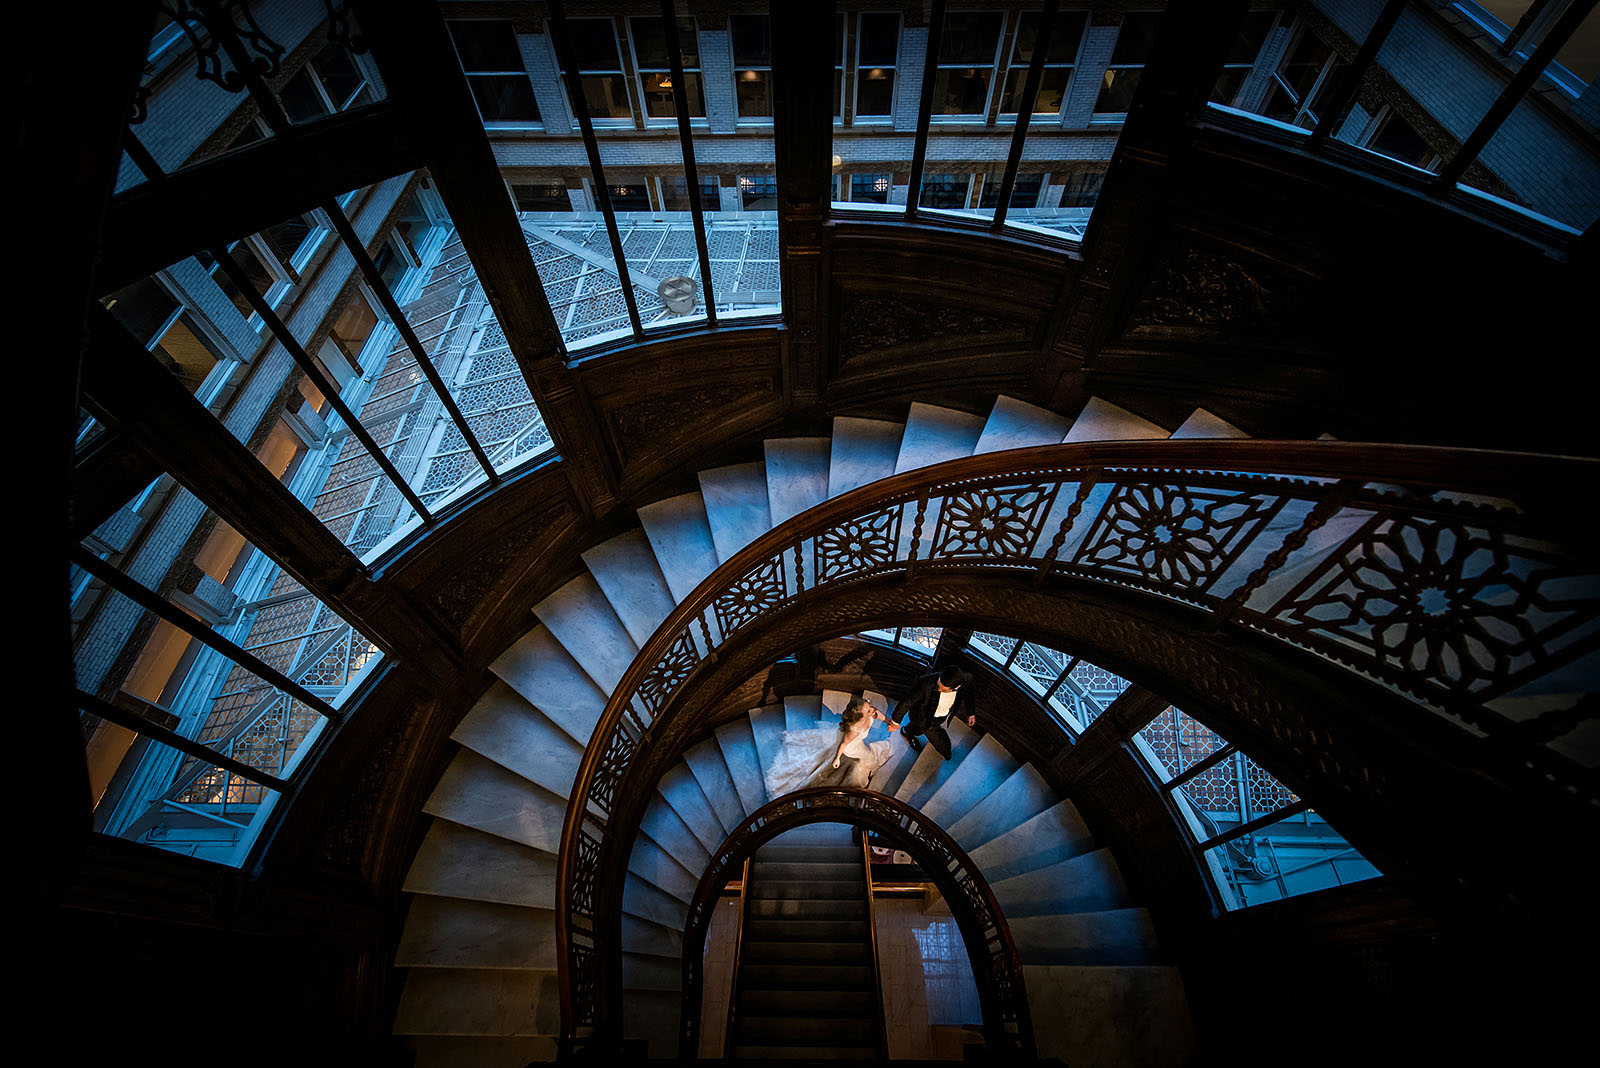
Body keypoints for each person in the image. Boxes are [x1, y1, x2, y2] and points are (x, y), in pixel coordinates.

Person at [764, 695, 900, 797]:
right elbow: (843, 744)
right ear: (860, 717)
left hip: (854, 743)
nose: (872, 710)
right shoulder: (853, 730)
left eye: (869, 707)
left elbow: (876, 713)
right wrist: (837, 759)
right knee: (861, 762)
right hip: (850, 749)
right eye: (868, 710)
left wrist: (888, 721)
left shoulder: (867, 712)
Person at [893, 664, 975, 761]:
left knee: (926, 729)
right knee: (921, 728)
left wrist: (971, 714)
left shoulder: (967, 680)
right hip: (924, 715)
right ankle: (907, 732)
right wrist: (895, 721)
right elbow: (907, 701)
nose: (939, 690)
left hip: (942, 715)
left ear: (957, 687)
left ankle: (909, 730)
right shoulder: (925, 682)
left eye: (943, 689)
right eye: (938, 685)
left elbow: (969, 696)